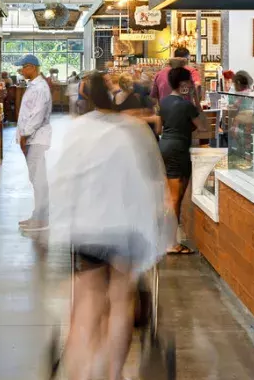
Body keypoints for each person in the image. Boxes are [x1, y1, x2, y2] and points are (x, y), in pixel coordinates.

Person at [49, 71, 169, 380]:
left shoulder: (77, 131)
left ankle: (81, 370)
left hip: (87, 228)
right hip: (124, 229)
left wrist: (60, 228)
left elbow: (63, 182)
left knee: (88, 298)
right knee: (121, 298)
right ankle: (113, 373)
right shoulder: (131, 130)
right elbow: (151, 181)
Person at [159, 67, 208, 255]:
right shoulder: (186, 105)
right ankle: (171, 243)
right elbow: (203, 126)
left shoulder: (164, 102)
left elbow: (160, 125)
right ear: (183, 84)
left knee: (169, 197)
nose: (191, 85)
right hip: (178, 150)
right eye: (189, 82)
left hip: (165, 146)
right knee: (175, 198)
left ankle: (166, 238)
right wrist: (196, 99)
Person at [16, 54, 52, 232]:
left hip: (35, 139)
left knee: (38, 179)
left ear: (31, 67)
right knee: (36, 178)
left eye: (23, 67)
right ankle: (38, 215)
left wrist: (24, 134)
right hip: (32, 138)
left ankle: (41, 219)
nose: (21, 71)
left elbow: (36, 116)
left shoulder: (40, 88)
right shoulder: (34, 86)